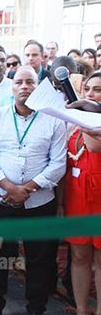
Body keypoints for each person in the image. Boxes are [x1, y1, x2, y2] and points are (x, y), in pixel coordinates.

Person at [0, 66, 67, 315]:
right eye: (19, 82)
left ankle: (36, 308)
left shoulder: (53, 119)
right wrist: (10, 188)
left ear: (37, 87)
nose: (25, 87)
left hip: (39, 203)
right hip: (1, 201)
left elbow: (58, 163)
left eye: (30, 82)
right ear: (12, 87)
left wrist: (26, 189)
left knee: (40, 260)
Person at [64, 72, 101, 315]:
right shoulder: (75, 122)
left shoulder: (89, 123)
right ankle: (81, 309)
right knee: (79, 256)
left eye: (97, 90)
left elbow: (94, 145)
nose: (91, 94)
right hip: (76, 197)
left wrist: (87, 114)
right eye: (87, 89)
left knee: (100, 260)